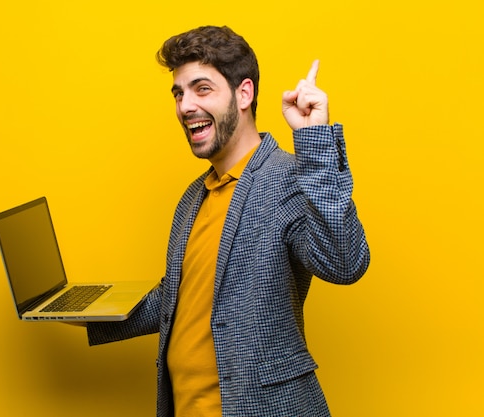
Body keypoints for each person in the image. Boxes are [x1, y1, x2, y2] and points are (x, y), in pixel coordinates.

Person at [85, 25, 370, 417]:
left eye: (202, 89)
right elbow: (179, 298)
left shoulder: (287, 177)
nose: (185, 106)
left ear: (243, 93)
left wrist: (315, 140)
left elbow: (345, 263)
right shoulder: (194, 197)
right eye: (179, 93)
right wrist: (89, 315)